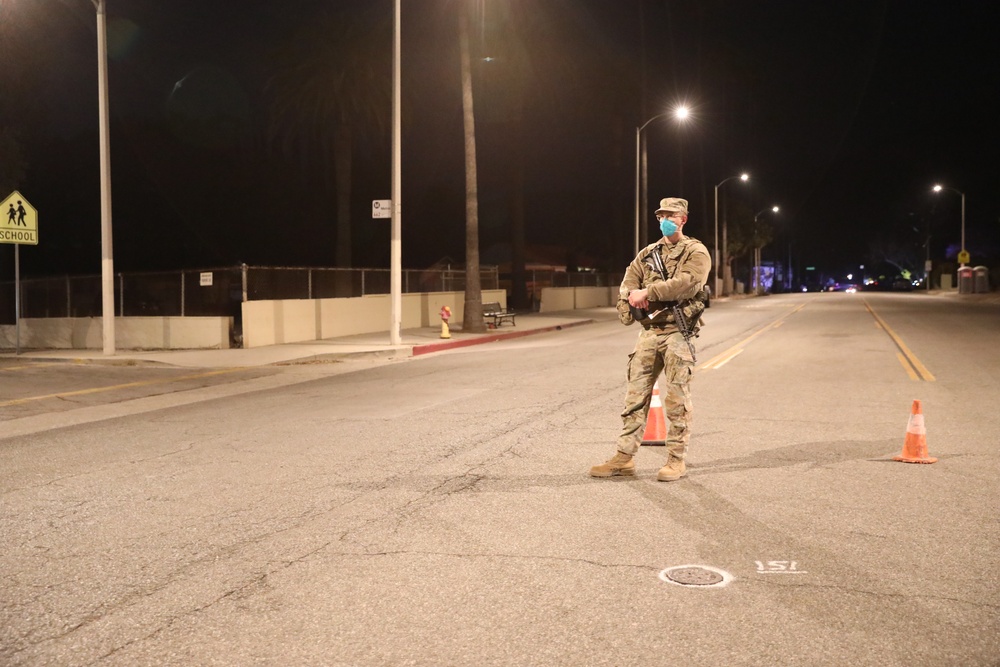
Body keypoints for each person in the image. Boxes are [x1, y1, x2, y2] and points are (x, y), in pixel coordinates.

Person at [590, 196, 711, 482]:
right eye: (661, 216)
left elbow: (688, 282)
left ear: (683, 219)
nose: (665, 220)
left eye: (671, 215)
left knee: (676, 399)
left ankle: (676, 459)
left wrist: (649, 292)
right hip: (649, 333)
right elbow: (629, 279)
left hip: (677, 333)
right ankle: (624, 457)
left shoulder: (696, 251)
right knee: (634, 397)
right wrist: (629, 302)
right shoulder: (648, 253)